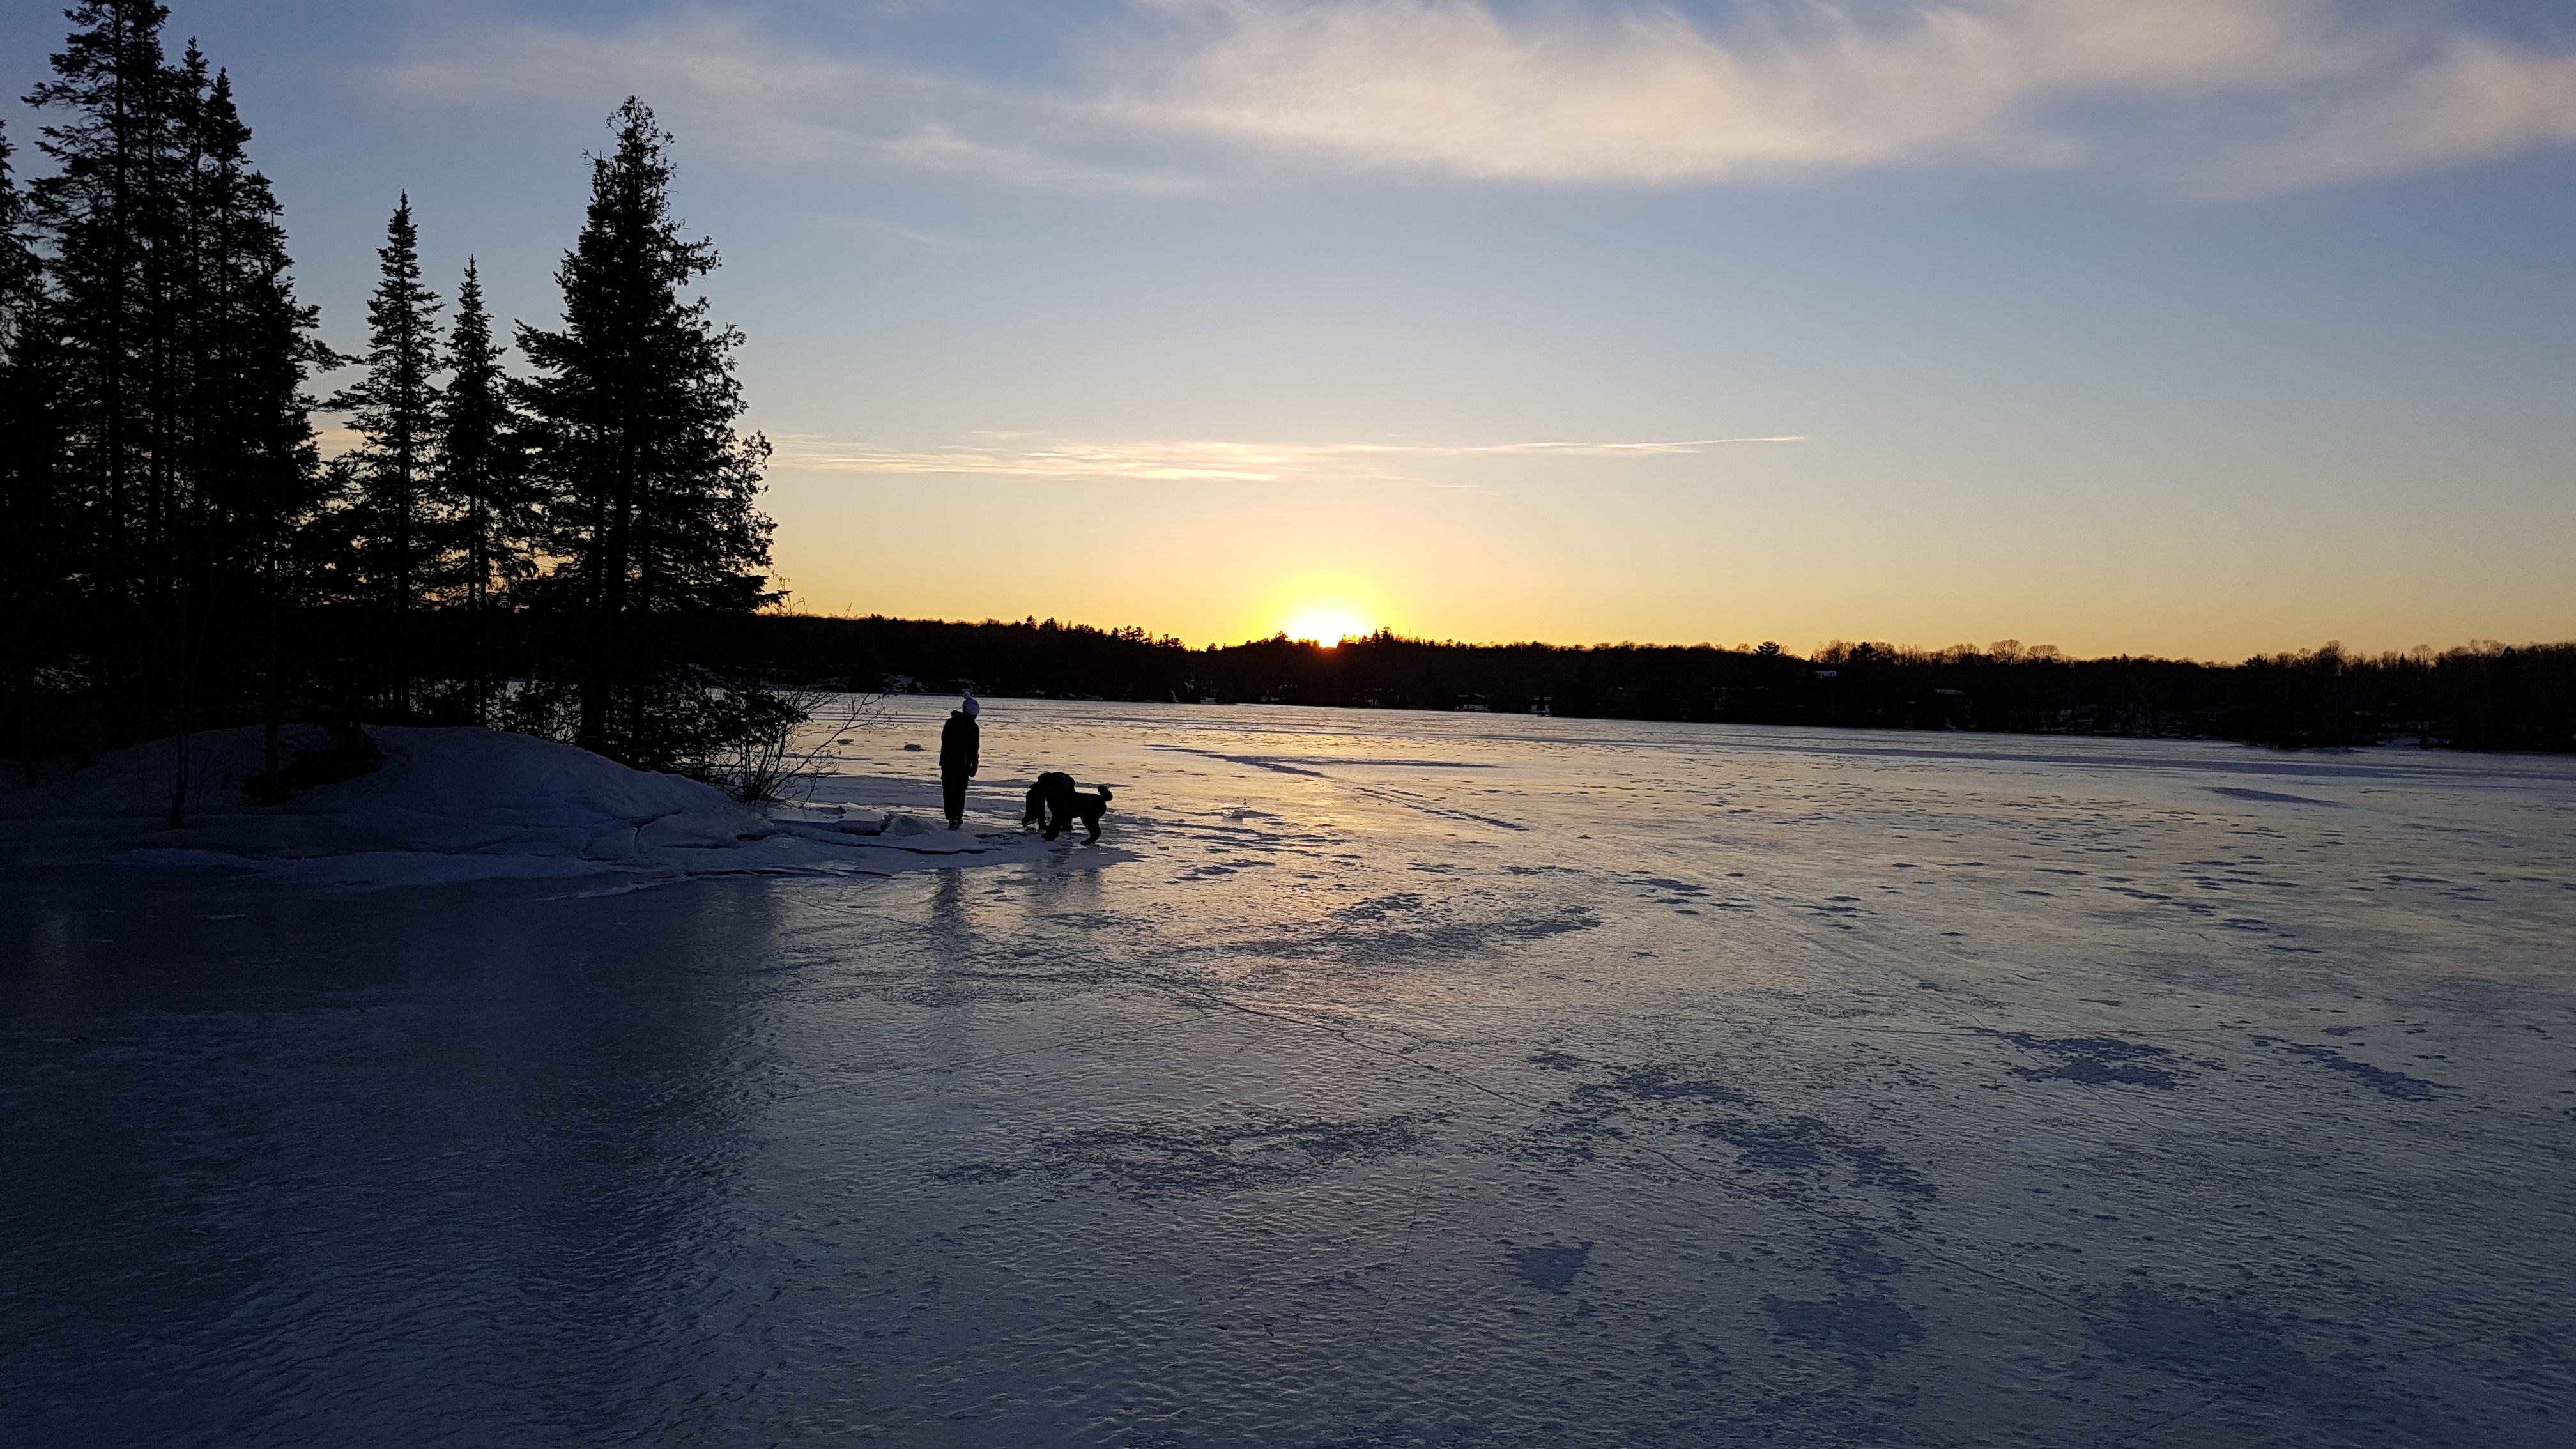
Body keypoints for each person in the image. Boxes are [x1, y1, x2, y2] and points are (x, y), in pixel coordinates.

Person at [938, 694, 980, 829]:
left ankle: (952, 816)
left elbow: (944, 740)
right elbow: (975, 747)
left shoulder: (951, 723)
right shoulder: (973, 727)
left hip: (948, 762)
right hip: (963, 764)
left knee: (949, 790)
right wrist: (975, 761)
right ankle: (957, 816)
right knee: (960, 791)